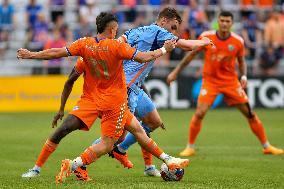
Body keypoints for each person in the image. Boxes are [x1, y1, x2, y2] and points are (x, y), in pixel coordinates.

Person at [18, 12, 190, 182]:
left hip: (95, 99)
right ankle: (73, 165)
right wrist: (163, 49)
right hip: (114, 101)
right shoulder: (117, 47)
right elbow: (144, 57)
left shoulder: (84, 44)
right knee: (112, 142)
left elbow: (57, 53)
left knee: (138, 130)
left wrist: (31, 54)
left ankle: (167, 160)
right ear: (113, 29)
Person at [91, 7, 213, 177]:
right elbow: (186, 45)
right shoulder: (158, 31)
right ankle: (80, 162)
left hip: (134, 87)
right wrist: (204, 42)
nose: (173, 33)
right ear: (163, 21)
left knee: (153, 121)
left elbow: (117, 47)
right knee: (115, 137)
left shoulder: (135, 31)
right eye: (173, 27)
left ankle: (124, 151)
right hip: (125, 89)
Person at [166, 11, 284, 157]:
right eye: (222, 20)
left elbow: (241, 61)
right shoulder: (207, 37)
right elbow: (191, 55)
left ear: (232, 23)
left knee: (250, 114)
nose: (224, 23)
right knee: (200, 112)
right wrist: (175, 72)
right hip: (210, 81)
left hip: (230, 82)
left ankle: (266, 146)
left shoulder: (238, 41)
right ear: (218, 22)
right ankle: (190, 147)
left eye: (227, 21)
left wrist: (244, 75)